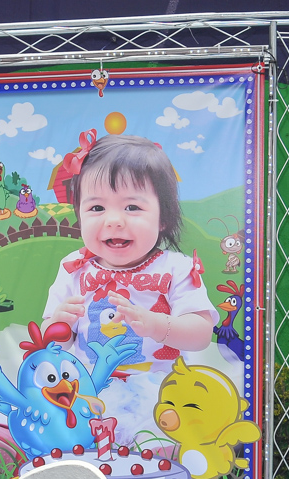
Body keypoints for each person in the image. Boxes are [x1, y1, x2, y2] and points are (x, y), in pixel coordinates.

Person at [43, 134, 217, 372]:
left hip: (163, 393)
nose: (114, 221)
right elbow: (50, 343)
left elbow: (201, 334)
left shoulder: (177, 268)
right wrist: (58, 326)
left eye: (132, 207)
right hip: (92, 390)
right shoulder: (74, 266)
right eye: (97, 207)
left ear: (163, 218)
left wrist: (157, 326)